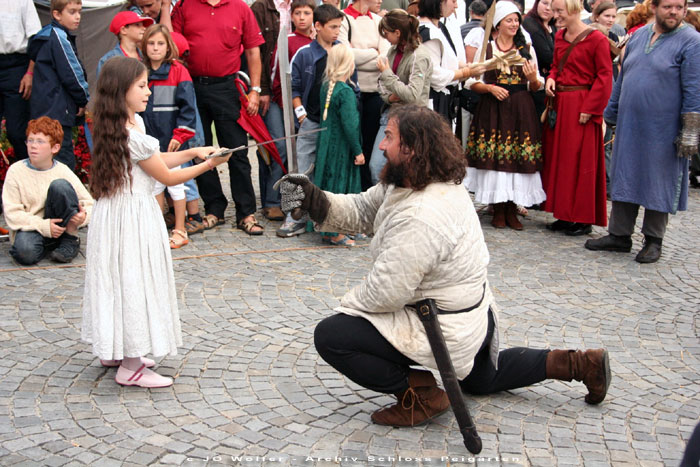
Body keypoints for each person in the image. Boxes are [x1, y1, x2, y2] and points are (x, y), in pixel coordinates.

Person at [278, 105, 611, 427]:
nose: (381, 143)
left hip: (447, 326)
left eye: (390, 137)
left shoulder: (422, 214)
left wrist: (346, 308)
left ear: (410, 148)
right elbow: (366, 209)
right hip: (472, 316)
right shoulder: (417, 179)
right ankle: (581, 363)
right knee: (482, 379)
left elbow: (386, 293)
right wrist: (316, 201)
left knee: (333, 335)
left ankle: (420, 394)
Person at [81, 57, 231, 388]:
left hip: (117, 213)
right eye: (142, 86)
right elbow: (163, 174)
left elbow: (155, 160)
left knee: (119, 279)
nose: (149, 92)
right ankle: (131, 365)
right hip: (131, 216)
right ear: (122, 91)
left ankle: (118, 349)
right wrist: (210, 166)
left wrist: (196, 152)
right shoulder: (131, 132)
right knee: (133, 281)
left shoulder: (125, 123)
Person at [585, 0, 700, 264]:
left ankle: (653, 240)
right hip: (630, 123)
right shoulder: (638, 37)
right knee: (625, 174)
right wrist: (611, 113)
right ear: (655, 8)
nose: (674, 12)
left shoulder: (691, 42)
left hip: (664, 128)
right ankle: (619, 235)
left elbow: (695, 89)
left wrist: (690, 132)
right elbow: (623, 77)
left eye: (679, 7)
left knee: (659, 180)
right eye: (668, 6)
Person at [171, 0, 266, 235]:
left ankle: (246, 213)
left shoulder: (240, 7)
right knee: (201, 151)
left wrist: (255, 89)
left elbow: (253, 50)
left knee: (237, 151)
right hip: (192, 87)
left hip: (227, 87)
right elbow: (172, 43)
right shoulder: (185, 6)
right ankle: (214, 209)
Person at [465, 1, 545, 230]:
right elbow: (471, 81)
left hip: (520, 108)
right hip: (493, 108)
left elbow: (535, 85)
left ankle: (512, 209)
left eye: (517, 20)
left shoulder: (525, 48)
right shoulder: (486, 47)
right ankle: (498, 209)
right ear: (498, 23)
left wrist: (532, 80)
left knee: (517, 157)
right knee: (496, 158)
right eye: (509, 20)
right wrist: (490, 88)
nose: (514, 24)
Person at [541, 0, 612, 236]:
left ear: (573, 11)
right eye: (555, 11)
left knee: (581, 161)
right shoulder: (560, 36)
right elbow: (555, 66)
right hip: (561, 104)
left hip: (582, 106)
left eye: (560, 11)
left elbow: (604, 76)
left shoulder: (596, 39)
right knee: (561, 160)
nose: (556, 16)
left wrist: (591, 108)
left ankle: (582, 218)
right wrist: (551, 78)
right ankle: (563, 212)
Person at [277, 5, 348, 238]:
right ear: (318, 27)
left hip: (335, 125)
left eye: (340, 26)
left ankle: (328, 217)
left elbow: (351, 86)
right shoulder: (305, 54)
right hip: (311, 120)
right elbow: (294, 87)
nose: (338, 31)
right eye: (333, 27)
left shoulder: (344, 52)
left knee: (330, 169)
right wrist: (301, 113)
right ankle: (294, 215)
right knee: (301, 170)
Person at [2, 117, 93, 265]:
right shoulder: (16, 171)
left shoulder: (62, 170)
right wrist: (44, 226)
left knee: (60, 186)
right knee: (24, 253)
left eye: (40, 141)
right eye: (30, 140)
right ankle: (50, 246)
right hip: (33, 227)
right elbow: (12, 214)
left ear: (55, 148)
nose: (33, 146)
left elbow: (90, 203)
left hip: (61, 227)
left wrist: (83, 216)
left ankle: (69, 240)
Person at [141, 24, 198, 249]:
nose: (155, 48)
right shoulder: (139, 69)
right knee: (153, 186)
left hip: (171, 141)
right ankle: (156, 228)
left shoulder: (178, 71)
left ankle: (180, 229)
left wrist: (180, 135)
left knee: (176, 186)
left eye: (160, 44)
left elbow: (187, 109)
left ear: (168, 47)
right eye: (151, 43)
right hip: (147, 141)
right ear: (144, 46)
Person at [369, 9, 433, 184]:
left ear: (397, 32)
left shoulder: (419, 56)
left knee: (408, 170)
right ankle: (383, 206)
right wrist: (389, 98)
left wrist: (388, 74)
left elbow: (412, 95)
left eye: (386, 33)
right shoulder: (392, 51)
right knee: (377, 167)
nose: (385, 37)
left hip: (413, 120)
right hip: (390, 114)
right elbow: (381, 84)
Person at [27, 0, 90, 171]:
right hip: (57, 112)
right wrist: (82, 99)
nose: (77, 17)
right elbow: (72, 74)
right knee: (62, 165)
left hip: (43, 110)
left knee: (44, 163)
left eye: (79, 12)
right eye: (72, 12)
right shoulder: (59, 37)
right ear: (56, 14)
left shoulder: (44, 35)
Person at [315, 44, 365, 246]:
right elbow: (350, 125)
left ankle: (343, 227)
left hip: (327, 146)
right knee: (341, 189)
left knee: (329, 186)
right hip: (342, 149)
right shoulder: (345, 92)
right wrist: (358, 150)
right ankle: (335, 231)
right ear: (349, 65)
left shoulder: (327, 86)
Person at [340, 0, 391, 190]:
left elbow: (385, 57)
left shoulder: (378, 21)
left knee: (370, 145)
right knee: (352, 145)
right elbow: (345, 55)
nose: (380, 1)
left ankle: (368, 191)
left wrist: (360, 56)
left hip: (375, 93)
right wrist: (373, 52)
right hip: (351, 91)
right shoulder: (344, 19)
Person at [251, 0, 291, 223]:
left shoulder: (303, 5)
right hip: (271, 91)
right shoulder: (260, 7)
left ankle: (287, 198)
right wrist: (261, 89)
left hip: (295, 90)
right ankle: (271, 201)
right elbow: (254, 50)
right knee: (277, 146)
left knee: (296, 147)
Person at [418, 0, 482, 120]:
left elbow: (448, 60)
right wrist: (467, 72)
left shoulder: (439, 27)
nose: (456, 5)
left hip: (445, 100)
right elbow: (435, 75)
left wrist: (467, 66)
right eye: (453, 1)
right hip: (431, 103)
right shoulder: (427, 32)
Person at [0, 0, 41, 162]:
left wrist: (30, 73)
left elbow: (36, 39)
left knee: (16, 131)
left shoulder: (22, 1)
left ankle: (26, 174)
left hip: (16, 66)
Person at [522, 0, 556, 116]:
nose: (547, 8)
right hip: (535, 82)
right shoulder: (531, 25)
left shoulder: (553, 26)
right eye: (544, 3)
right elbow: (547, 57)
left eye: (551, 5)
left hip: (549, 80)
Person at [96, 11, 154, 78]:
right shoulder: (108, 61)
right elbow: (104, 87)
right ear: (123, 30)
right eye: (137, 25)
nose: (144, 28)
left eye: (143, 25)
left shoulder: (146, 56)